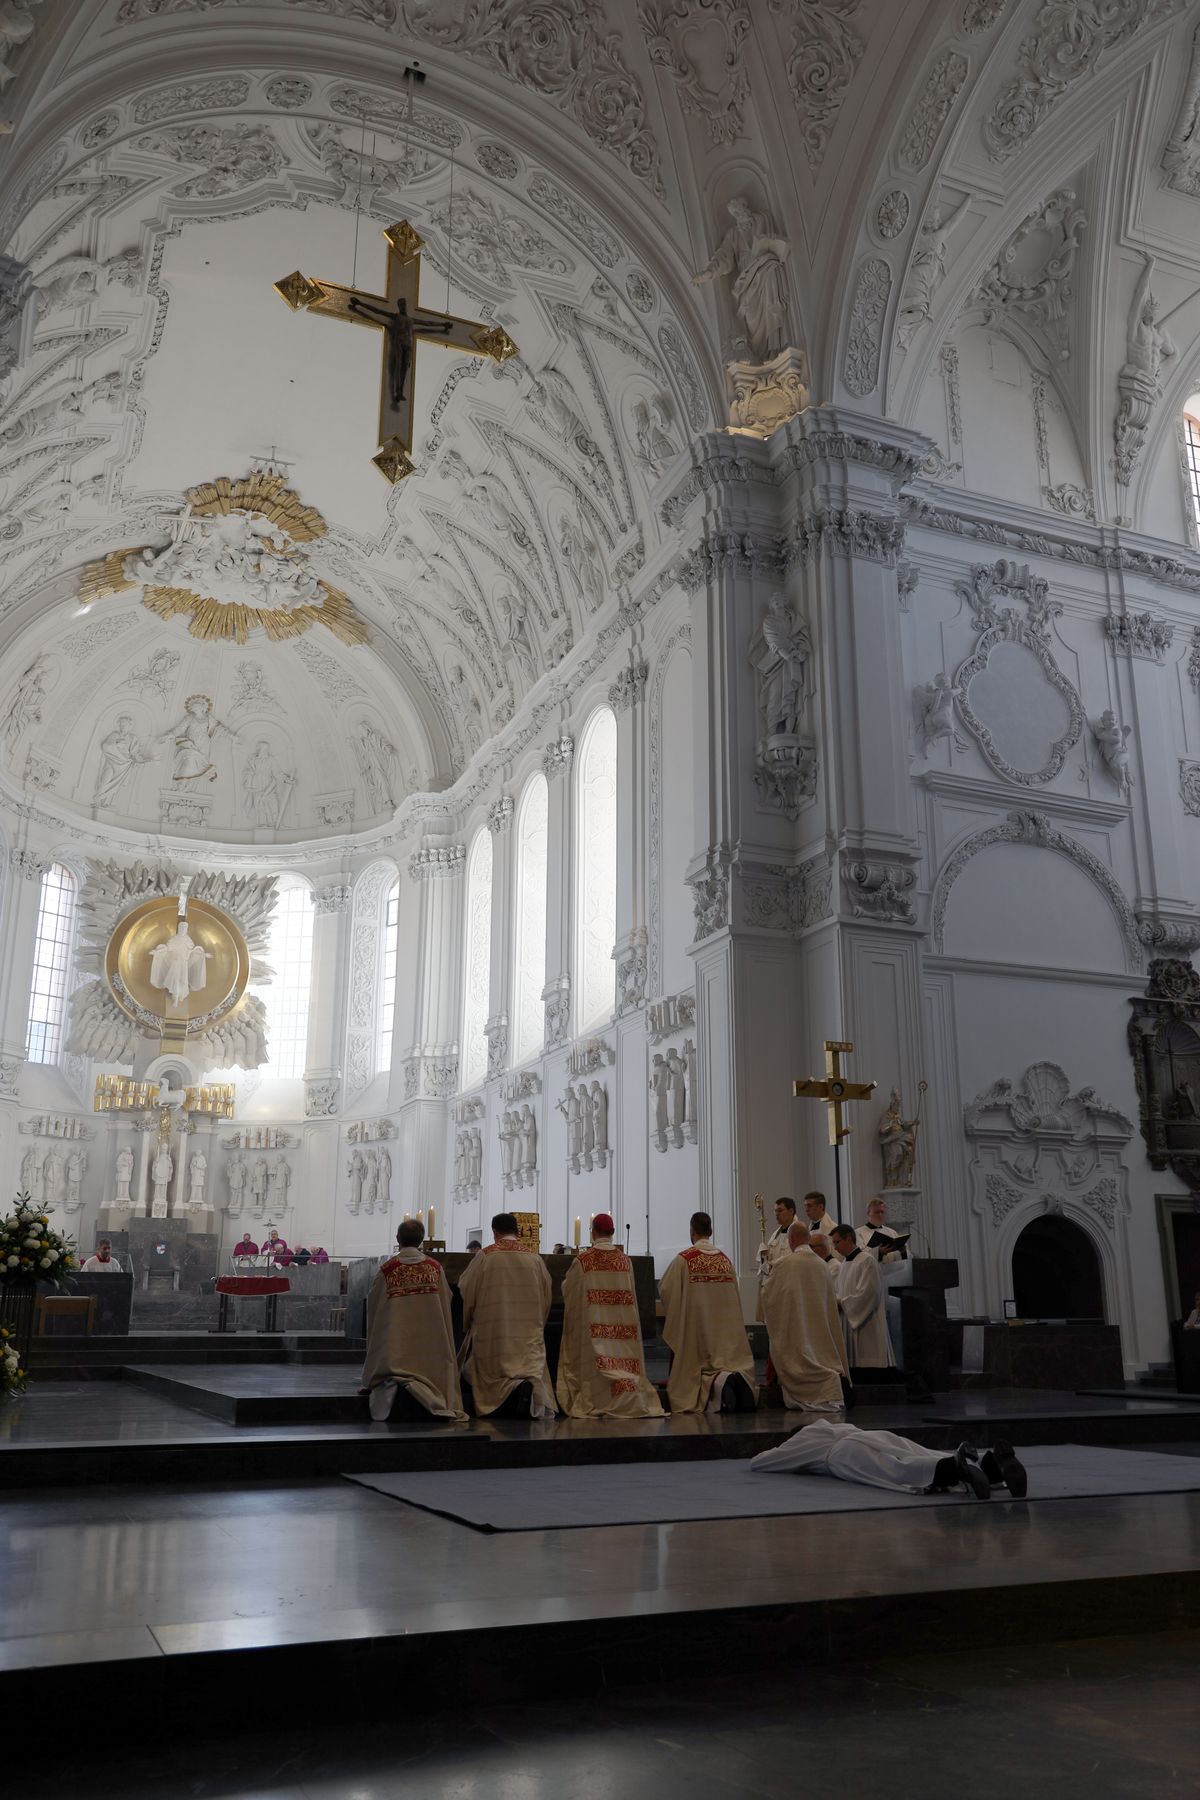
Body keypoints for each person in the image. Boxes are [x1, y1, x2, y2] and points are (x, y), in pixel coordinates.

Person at [360, 1219, 468, 1423]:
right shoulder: (434, 1268)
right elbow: (447, 1301)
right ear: (421, 1240)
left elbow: (374, 1309)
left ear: (398, 1239)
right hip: (431, 1355)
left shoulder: (387, 1269)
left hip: (395, 1354)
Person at [556, 1214, 663, 1420]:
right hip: (622, 1326)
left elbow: (569, 1289)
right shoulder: (624, 1261)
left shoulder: (583, 1260)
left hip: (595, 1327)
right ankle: (626, 1390)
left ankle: (599, 1396)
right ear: (612, 1233)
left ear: (594, 1232)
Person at [750, 1421, 1027, 1499]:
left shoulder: (802, 1440)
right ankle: (991, 1467)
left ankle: (953, 1468)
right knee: (915, 1452)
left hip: (841, 1454)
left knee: (893, 1470)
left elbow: (760, 1462)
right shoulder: (831, 1423)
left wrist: (784, 1448)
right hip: (871, 1434)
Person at [456, 1212, 555, 1418]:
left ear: (495, 1232)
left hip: (495, 1334)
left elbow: (466, 1289)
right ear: (516, 1231)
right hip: (526, 1336)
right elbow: (547, 1296)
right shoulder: (534, 1258)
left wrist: (472, 1319)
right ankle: (521, 1388)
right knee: (527, 1365)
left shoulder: (486, 1256)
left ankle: (509, 1395)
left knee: (479, 1370)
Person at [659, 1211, 756, 1414]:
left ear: (692, 1231)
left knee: (693, 1371)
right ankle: (726, 1379)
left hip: (698, 1332)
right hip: (725, 1337)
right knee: (727, 1361)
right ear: (711, 1231)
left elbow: (665, 1289)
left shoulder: (684, 1259)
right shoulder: (725, 1261)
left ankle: (717, 1385)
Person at [761, 1221, 849, 1411]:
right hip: (819, 1327)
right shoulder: (822, 1265)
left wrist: (766, 1276)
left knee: (799, 1352)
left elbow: (769, 1296)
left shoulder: (785, 1264)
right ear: (808, 1239)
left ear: (791, 1239)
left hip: (796, 1326)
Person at [831, 1224, 894, 1368]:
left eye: (837, 1242)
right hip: (848, 1320)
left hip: (867, 1323)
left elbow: (869, 1293)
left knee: (867, 1365)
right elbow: (838, 1291)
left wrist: (842, 1303)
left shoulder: (867, 1261)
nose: (835, 1247)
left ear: (848, 1239)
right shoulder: (844, 1264)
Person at [856, 1196, 906, 1263]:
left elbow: (903, 1258)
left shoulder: (892, 1232)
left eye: (882, 1212)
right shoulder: (858, 1233)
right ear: (868, 1214)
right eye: (877, 1212)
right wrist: (878, 1252)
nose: (880, 1215)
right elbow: (859, 1256)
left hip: (893, 1270)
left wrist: (903, 1252)